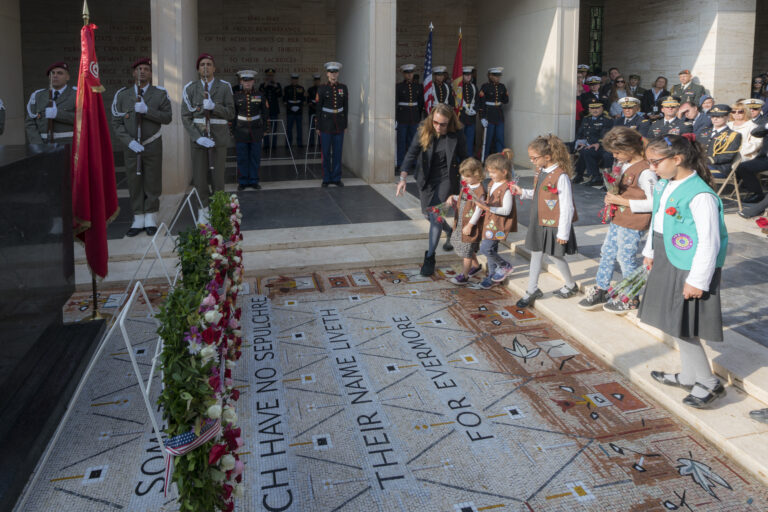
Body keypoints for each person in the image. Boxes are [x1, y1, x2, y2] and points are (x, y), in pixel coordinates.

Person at [641, 134, 728, 409]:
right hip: (668, 258)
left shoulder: (701, 195)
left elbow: (710, 242)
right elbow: (658, 220)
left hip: (690, 268)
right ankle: (690, 375)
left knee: (685, 324)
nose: (651, 168)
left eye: (655, 162)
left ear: (676, 159)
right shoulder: (665, 184)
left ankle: (709, 382)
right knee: (674, 320)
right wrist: (650, 251)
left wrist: (697, 280)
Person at [578, 127, 656, 313]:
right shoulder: (625, 165)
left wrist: (622, 201)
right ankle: (602, 287)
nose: (614, 155)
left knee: (625, 257)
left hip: (633, 220)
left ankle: (631, 296)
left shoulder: (646, 172)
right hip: (619, 217)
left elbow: (655, 203)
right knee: (607, 251)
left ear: (630, 148)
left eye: (617, 151)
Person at [396, 103, 469, 276]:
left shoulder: (457, 133)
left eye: (442, 124)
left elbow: (465, 156)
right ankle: (449, 230)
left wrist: (469, 179)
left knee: (436, 216)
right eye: (435, 122)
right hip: (426, 179)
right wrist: (403, 178)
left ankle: (429, 258)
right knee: (427, 215)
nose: (438, 127)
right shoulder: (423, 129)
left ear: (450, 123)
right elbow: (411, 153)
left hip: (446, 179)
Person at [514, 135, 579, 307]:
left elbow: (567, 207)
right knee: (536, 253)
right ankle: (532, 289)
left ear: (547, 157)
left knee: (555, 255)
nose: (532, 161)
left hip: (553, 224)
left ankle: (571, 285)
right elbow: (538, 195)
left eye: (534, 158)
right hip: (539, 220)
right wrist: (522, 192)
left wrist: (563, 232)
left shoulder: (561, 176)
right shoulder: (541, 172)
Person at [110, 57, 172, 237]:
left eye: (145, 69)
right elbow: (116, 122)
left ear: (151, 73)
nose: (142, 71)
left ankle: (151, 216)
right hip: (131, 145)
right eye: (138, 69)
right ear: (133, 73)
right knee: (134, 181)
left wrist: (147, 111)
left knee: (152, 180)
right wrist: (129, 141)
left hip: (152, 143)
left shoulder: (159, 94)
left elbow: (167, 117)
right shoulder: (122, 95)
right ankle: (138, 216)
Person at [181, 53, 235, 223]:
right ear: (198, 69)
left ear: (214, 68)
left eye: (209, 64)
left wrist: (215, 107)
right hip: (199, 141)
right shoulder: (190, 88)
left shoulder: (224, 87)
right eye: (202, 64)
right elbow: (186, 116)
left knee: (218, 178)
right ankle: (203, 212)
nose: (206, 67)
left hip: (218, 139)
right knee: (200, 178)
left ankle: (218, 210)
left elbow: (231, 113)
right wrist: (197, 138)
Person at [471, 151, 518, 289]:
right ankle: (492, 277)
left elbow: (506, 210)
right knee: (491, 249)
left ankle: (505, 266)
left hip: (498, 224)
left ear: (504, 172)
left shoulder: (507, 189)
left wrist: (487, 208)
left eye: (493, 172)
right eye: (489, 172)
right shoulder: (492, 183)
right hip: (490, 222)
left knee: (486, 249)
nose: (490, 175)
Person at [445, 157, 485, 285]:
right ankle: (476, 267)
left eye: (467, 176)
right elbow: (463, 197)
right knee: (468, 248)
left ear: (476, 174)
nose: (463, 179)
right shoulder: (468, 186)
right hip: (462, 222)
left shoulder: (480, 191)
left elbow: (479, 210)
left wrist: (470, 225)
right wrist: (453, 197)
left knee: (466, 252)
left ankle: (465, 275)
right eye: (463, 176)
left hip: (470, 226)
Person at [232, 69, 269, 191]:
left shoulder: (260, 95)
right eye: (244, 80)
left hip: (256, 131)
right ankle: (243, 181)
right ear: (241, 81)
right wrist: (232, 130)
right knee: (242, 157)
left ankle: (254, 180)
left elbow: (265, 113)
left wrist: (265, 129)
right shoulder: (236, 96)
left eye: (249, 81)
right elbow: (233, 114)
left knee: (255, 157)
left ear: (253, 81)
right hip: (241, 130)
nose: (247, 83)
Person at [25, 61, 76, 144]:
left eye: (60, 73)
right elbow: (30, 122)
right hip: (43, 145)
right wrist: (38, 144)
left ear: (67, 77)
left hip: (68, 145)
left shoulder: (76, 95)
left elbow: (84, 119)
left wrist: (58, 114)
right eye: (52, 73)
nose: (55, 76)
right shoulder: (38, 96)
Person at [316, 61, 348, 187]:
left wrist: (345, 125)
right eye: (331, 72)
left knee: (337, 152)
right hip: (325, 125)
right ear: (327, 74)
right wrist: (318, 126)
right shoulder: (322, 88)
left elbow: (346, 107)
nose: (333, 74)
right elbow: (318, 108)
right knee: (325, 152)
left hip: (339, 124)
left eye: (335, 72)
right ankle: (326, 178)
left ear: (338, 73)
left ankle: (336, 177)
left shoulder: (343, 88)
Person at [574, 102, 613, 185]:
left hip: (600, 146)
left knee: (586, 151)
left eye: (597, 108)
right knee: (565, 146)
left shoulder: (607, 120)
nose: (594, 110)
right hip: (585, 143)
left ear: (602, 108)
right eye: (592, 108)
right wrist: (580, 142)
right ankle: (578, 174)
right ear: (589, 109)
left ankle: (595, 176)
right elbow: (580, 133)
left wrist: (598, 143)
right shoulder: (586, 119)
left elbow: (605, 136)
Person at [699, 104, 742, 179]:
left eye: (719, 116)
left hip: (719, 168)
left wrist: (708, 160)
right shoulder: (704, 132)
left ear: (728, 117)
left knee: (691, 172)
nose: (715, 119)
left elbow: (728, 156)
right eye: (713, 116)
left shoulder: (733, 135)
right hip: (701, 164)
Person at [395, 64, 424, 170]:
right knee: (401, 142)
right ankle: (400, 163)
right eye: (407, 73)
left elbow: (420, 103)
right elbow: (396, 103)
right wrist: (396, 119)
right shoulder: (399, 87)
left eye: (411, 73)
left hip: (414, 118)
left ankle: (414, 162)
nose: (409, 75)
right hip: (402, 118)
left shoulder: (418, 87)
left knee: (413, 142)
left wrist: (419, 117)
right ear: (403, 74)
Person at [478, 67, 509, 158]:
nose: (497, 78)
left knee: (500, 138)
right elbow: (481, 103)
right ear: (490, 76)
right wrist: (482, 117)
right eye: (495, 76)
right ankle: (485, 158)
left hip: (499, 115)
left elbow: (506, 100)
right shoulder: (485, 86)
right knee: (487, 139)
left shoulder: (502, 86)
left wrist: (505, 95)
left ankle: (501, 158)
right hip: (489, 115)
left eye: (499, 76)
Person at [736, 121, 768, 204]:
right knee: (743, 167)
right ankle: (757, 194)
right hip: (765, 158)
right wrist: (766, 125)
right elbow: (755, 133)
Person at [259, 68, 282, 150]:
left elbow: (280, 95)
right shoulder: (262, 85)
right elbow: (260, 96)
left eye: (271, 76)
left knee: (274, 129)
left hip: (274, 110)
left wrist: (276, 87)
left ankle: (274, 146)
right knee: (266, 128)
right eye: (268, 76)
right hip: (265, 111)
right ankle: (266, 145)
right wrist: (265, 86)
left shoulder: (277, 85)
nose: (270, 77)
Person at [458, 66, 478, 156]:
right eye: (466, 75)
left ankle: (469, 157)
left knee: (470, 139)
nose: (468, 77)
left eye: (469, 75)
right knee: (461, 139)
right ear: (462, 76)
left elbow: (477, 101)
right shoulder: (458, 87)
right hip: (461, 115)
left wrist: (475, 110)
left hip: (471, 116)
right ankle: (460, 159)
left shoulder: (474, 86)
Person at [283, 73, 305, 148]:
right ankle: (288, 144)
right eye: (293, 79)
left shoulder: (301, 88)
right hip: (290, 111)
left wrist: (298, 107)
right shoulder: (287, 88)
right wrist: (290, 107)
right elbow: (285, 100)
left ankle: (300, 144)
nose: (295, 81)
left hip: (299, 111)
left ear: (297, 80)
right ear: (291, 79)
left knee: (299, 128)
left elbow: (303, 100)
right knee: (289, 128)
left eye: (296, 79)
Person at [307, 73, 322, 147]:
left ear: (320, 81)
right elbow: (308, 101)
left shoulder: (322, 89)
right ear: (314, 81)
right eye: (316, 80)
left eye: (318, 80)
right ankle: (311, 144)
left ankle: (320, 143)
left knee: (320, 128)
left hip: (320, 113)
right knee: (312, 128)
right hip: (312, 111)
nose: (317, 82)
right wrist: (315, 107)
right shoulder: (310, 89)